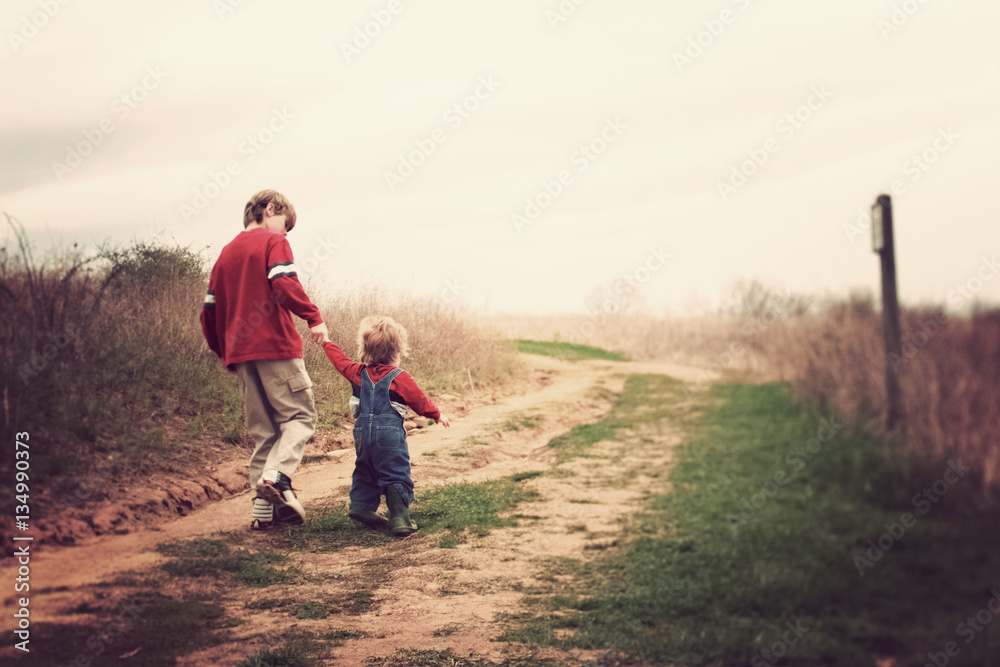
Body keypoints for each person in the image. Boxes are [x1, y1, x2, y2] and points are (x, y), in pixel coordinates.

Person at [200, 189, 328, 531]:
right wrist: (314, 317)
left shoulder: (225, 254)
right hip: (275, 346)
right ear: (270, 209)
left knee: (265, 433)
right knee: (300, 417)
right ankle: (278, 478)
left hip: (241, 355)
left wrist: (226, 353)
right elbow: (284, 284)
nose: (285, 235)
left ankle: (263, 512)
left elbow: (208, 313)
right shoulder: (272, 242)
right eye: (285, 227)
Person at [322, 316, 449, 536]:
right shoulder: (400, 377)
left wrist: (326, 342)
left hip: (362, 436)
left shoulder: (356, 372)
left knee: (366, 469)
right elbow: (419, 401)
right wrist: (436, 414)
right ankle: (400, 518)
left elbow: (339, 361)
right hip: (389, 436)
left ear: (365, 349)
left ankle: (361, 506)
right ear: (397, 350)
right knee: (395, 471)